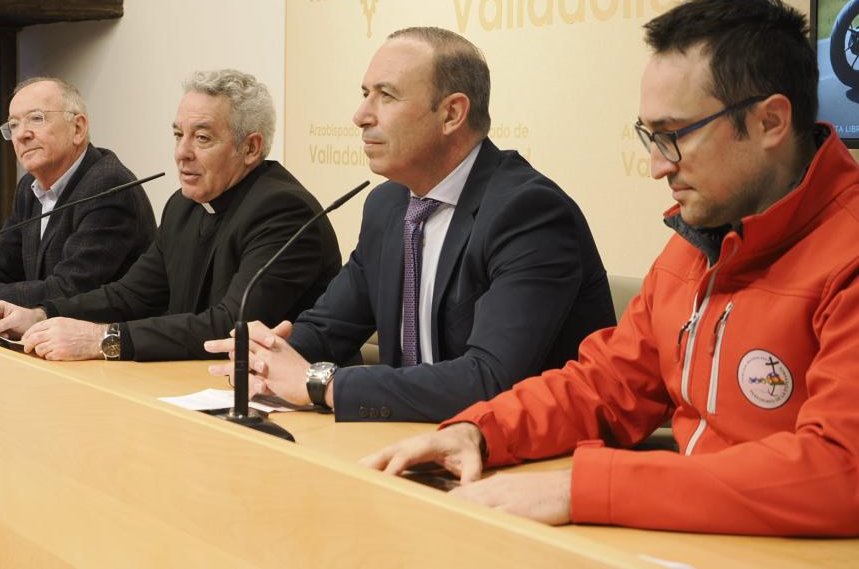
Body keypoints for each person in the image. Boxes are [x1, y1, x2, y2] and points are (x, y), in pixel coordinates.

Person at [361, 0, 859, 537]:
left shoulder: (846, 251)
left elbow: (840, 470)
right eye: (650, 137)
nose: (657, 166)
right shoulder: (698, 246)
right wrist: (479, 432)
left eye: (675, 135)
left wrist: (582, 487)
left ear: (770, 122)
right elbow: (606, 384)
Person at [205, 27, 615, 422]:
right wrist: (268, 356)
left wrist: (321, 384)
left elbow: (490, 380)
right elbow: (330, 327)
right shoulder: (388, 205)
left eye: (386, 96)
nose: (360, 116)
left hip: (531, 453)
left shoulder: (528, 212)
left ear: (451, 113)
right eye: (365, 94)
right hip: (415, 436)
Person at [0, 69, 342, 362]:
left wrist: (104, 339)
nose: (182, 152)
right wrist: (42, 313)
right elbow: (131, 294)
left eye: (202, 138)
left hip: (282, 400)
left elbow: (232, 324)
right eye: (178, 135)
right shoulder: (183, 206)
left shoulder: (283, 211)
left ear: (250, 148)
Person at [0, 77, 156, 317]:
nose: (21, 135)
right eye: (13, 125)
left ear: (78, 128)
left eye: (36, 118)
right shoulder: (29, 187)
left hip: (102, 336)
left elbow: (68, 290)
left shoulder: (109, 186)